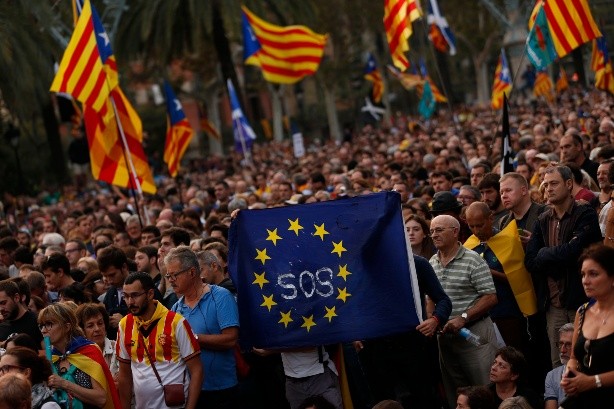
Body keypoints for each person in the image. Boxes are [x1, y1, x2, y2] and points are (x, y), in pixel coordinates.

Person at [525, 165, 602, 367]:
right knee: (558, 362)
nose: (548, 188)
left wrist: (545, 254)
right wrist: (554, 256)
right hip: (554, 305)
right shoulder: (542, 220)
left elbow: (574, 253)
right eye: (545, 184)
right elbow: (530, 261)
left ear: (569, 185)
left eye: (554, 183)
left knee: (587, 359)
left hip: (583, 300)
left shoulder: (584, 213)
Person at [356, 254, 451, 409]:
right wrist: (354, 332)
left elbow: (443, 300)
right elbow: (350, 304)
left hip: (414, 346)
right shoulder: (361, 264)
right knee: (384, 403)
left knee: (424, 400)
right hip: (376, 349)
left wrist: (435, 320)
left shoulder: (417, 264)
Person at [429, 215, 499, 408]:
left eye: (439, 230)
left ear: (455, 231)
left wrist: (463, 317)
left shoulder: (473, 259)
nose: (434, 235)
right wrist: (432, 319)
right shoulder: (432, 262)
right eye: (432, 231)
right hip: (445, 337)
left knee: (483, 389)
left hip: (473, 334)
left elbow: (491, 296)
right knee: (455, 394)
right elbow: (430, 298)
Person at [116, 272, 203, 409]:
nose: (130, 302)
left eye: (135, 295)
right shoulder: (124, 325)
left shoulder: (176, 322)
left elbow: (197, 370)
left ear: (150, 294)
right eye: (126, 296)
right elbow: (124, 376)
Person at [167, 246, 240, 408]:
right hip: (191, 391)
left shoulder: (221, 297)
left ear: (192, 272)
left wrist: (192, 338)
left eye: (174, 275)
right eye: (168, 275)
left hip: (222, 390)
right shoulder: (176, 309)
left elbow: (231, 339)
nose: (170, 280)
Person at [464, 202, 526, 351]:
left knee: (513, 355)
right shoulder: (468, 246)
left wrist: (488, 272)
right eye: (471, 226)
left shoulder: (509, 241)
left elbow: (520, 281)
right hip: (480, 315)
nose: (476, 231)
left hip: (507, 312)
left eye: (480, 225)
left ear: (490, 218)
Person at [560, 245, 614, 407]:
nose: (585, 281)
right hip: (583, 397)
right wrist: (569, 374)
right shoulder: (582, 312)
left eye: (593, 274)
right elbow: (574, 358)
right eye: (583, 274)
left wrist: (593, 381)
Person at [38, 302, 120, 409]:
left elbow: (101, 399)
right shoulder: (50, 359)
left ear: (67, 327)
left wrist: (64, 384)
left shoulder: (89, 351)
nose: (44, 330)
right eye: (41, 326)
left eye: (49, 324)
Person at [75, 303, 119, 375]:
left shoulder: (118, 348)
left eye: (100, 323)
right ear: (82, 330)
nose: (97, 329)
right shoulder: (77, 354)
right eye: (90, 326)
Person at [0, 280, 43, 346]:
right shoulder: (2, 325)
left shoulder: (38, 321)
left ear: (16, 298)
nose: (1, 309)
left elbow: (48, 353)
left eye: (3, 303)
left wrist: (20, 350)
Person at [544, 323, 573, 409]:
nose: (562, 350)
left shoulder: (590, 373)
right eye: (560, 344)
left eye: (568, 345)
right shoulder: (552, 376)